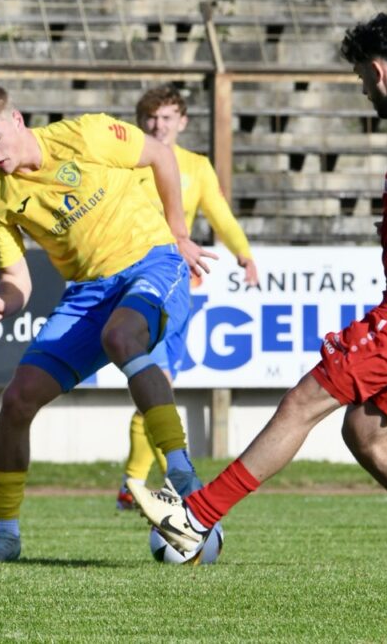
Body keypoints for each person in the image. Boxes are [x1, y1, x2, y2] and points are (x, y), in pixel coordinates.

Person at [130, 13, 387, 567]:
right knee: (366, 431)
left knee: (304, 401)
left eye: (358, 77)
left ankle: (196, 518)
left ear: (378, 71)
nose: (360, 88)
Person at [0, 84, 216, 562]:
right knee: (17, 399)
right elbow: (17, 281)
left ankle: (182, 475)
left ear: (17, 119)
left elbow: (160, 155)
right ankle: (6, 536)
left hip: (153, 263)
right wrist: (2, 303)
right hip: (86, 295)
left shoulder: (87, 135)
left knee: (120, 336)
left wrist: (180, 232)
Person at [115, 84, 259, 511]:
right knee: (157, 381)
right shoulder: (126, 160)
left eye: (166, 117)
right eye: (151, 117)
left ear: (182, 122)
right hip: (136, 282)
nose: (158, 125)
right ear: (141, 122)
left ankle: (135, 481)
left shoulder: (196, 167)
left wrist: (244, 253)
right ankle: (170, 479)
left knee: (159, 383)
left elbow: (218, 212)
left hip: (176, 285)